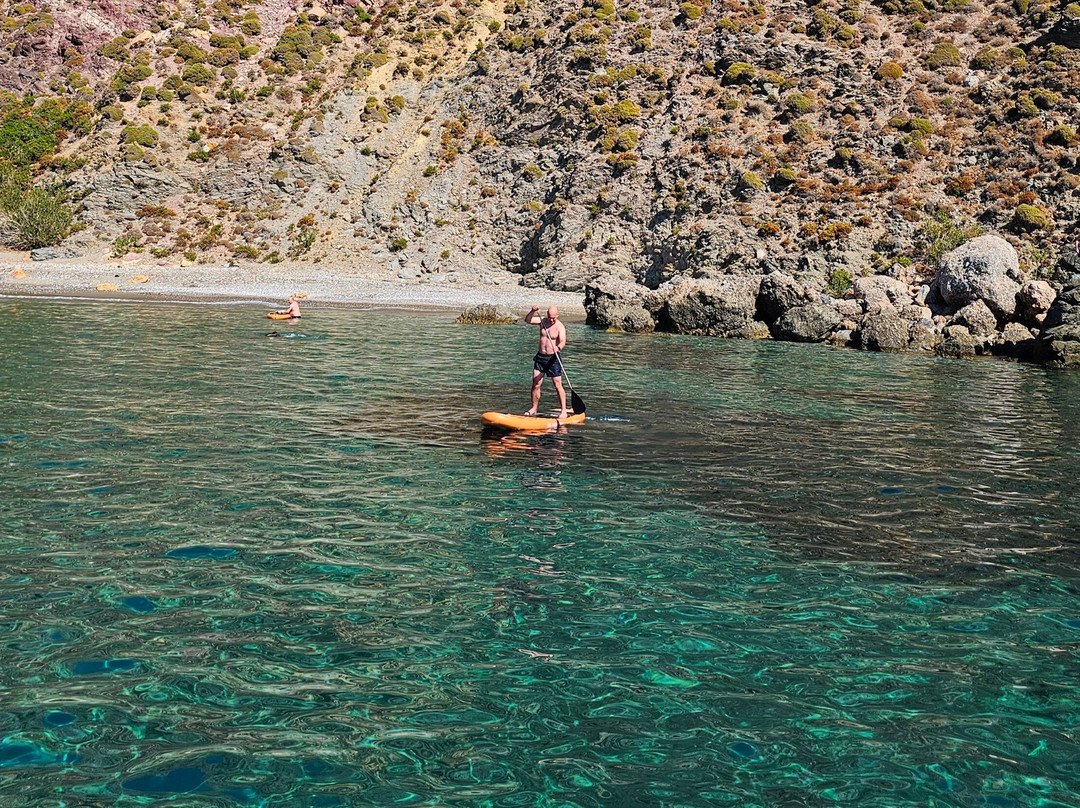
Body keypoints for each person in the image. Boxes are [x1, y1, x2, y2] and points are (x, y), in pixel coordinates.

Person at [523, 304, 568, 418]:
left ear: (557, 315)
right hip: (540, 357)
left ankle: (563, 411)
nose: (551, 320)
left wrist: (558, 348)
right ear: (547, 315)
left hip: (553, 358)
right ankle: (534, 408)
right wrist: (532, 311)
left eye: (554, 317)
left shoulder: (560, 327)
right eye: (550, 317)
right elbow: (528, 320)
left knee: (557, 384)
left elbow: (563, 341)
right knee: (536, 383)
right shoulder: (543, 321)